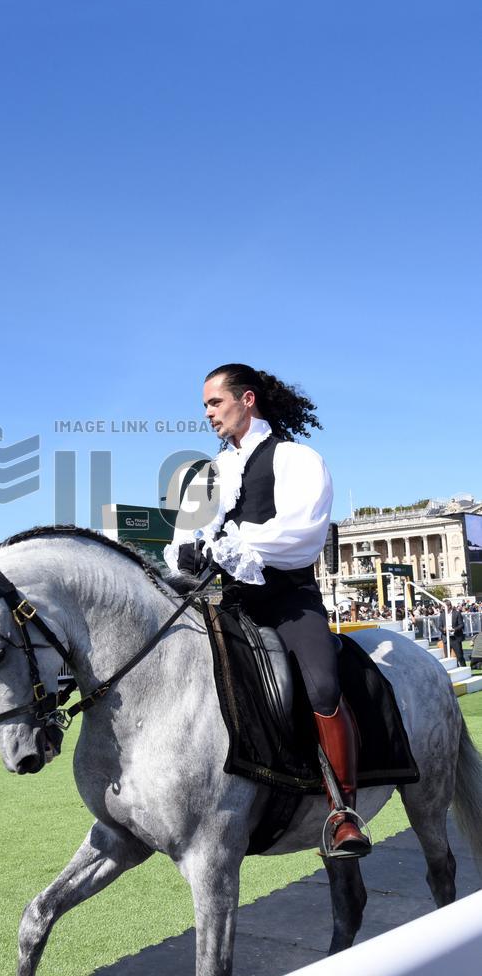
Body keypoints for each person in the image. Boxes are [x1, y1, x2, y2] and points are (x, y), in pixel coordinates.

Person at [165, 363, 370, 858]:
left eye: (215, 402)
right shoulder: (208, 473)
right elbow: (180, 540)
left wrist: (227, 546)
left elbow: (301, 534)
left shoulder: (297, 458)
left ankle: (343, 812)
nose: (208, 414)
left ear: (247, 399)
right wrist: (188, 554)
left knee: (321, 684)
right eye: (206, 407)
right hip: (227, 600)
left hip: (287, 599)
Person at [437, 602, 466, 667]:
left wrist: (454, 629)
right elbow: (439, 626)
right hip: (446, 638)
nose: (443, 608)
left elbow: (461, 625)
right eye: (442, 606)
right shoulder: (442, 615)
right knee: (447, 657)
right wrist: (443, 629)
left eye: (444, 606)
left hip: (455, 638)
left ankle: (464, 669)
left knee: (460, 656)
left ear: (449, 606)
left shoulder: (457, 613)